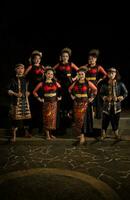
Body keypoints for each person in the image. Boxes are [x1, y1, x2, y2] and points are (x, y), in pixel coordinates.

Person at [79, 49, 107, 136]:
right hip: (87, 85)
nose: (91, 60)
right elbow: (79, 71)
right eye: (90, 59)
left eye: (93, 59)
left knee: (95, 102)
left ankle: (95, 120)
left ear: (96, 59)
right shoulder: (85, 66)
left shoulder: (99, 67)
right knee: (88, 103)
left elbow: (105, 74)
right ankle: (88, 120)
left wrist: (100, 80)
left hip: (94, 85)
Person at [68, 67, 97, 144]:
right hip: (77, 103)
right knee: (78, 119)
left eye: (82, 74)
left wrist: (92, 98)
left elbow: (95, 90)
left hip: (85, 103)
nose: (81, 75)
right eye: (79, 74)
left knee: (83, 119)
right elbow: (69, 89)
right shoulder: (75, 82)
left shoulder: (88, 82)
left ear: (85, 74)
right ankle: (80, 134)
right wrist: (72, 96)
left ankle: (82, 135)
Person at [53, 47, 79, 131]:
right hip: (61, 85)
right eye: (63, 56)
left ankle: (71, 120)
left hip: (70, 85)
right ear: (61, 56)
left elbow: (79, 71)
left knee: (70, 101)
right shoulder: (59, 64)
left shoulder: (71, 64)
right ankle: (61, 121)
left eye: (66, 56)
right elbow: (51, 71)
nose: (65, 57)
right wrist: (56, 79)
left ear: (68, 57)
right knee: (62, 102)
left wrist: (74, 78)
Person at [33, 67, 62, 140]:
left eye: (51, 74)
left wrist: (60, 97)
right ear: (45, 74)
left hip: (54, 102)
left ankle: (51, 134)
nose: (50, 75)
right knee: (47, 118)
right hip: (46, 102)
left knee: (53, 119)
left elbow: (61, 90)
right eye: (48, 73)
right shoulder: (42, 83)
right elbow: (34, 92)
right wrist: (39, 98)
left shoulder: (56, 83)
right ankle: (47, 134)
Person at [100, 67, 128, 140]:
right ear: (108, 74)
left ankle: (116, 134)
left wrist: (120, 97)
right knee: (105, 120)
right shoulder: (104, 84)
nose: (111, 74)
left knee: (115, 120)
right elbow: (101, 93)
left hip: (116, 106)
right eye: (109, 73)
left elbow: (125, 92)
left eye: (113, 73)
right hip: (107, 106)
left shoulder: (120, 84)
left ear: (115, 74)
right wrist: (105, 98)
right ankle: (103, 134)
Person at [8, 63, 32, 142]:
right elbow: (8, 90)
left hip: (25, 101)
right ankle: (13, 135)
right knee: (15, 118)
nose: (20, 70)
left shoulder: (26, 79)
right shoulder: (12, 79)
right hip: (15, 101)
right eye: (18, 68)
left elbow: (28, 89)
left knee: (26, 117)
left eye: (22, 68)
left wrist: (28, 92)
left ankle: (26, 132)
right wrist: (15, 94)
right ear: (15, 69)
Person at [24, 50, 45, 133]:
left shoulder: (42, 67)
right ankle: (30, 127)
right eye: (35, 58)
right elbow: (24, 78)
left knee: (40, 108)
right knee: (32, 108)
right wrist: (26, 90)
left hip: (40, 90)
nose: (37, 60)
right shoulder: (30, 67)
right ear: (33, 59)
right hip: (32, 89)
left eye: (39, 58)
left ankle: (40, 127)